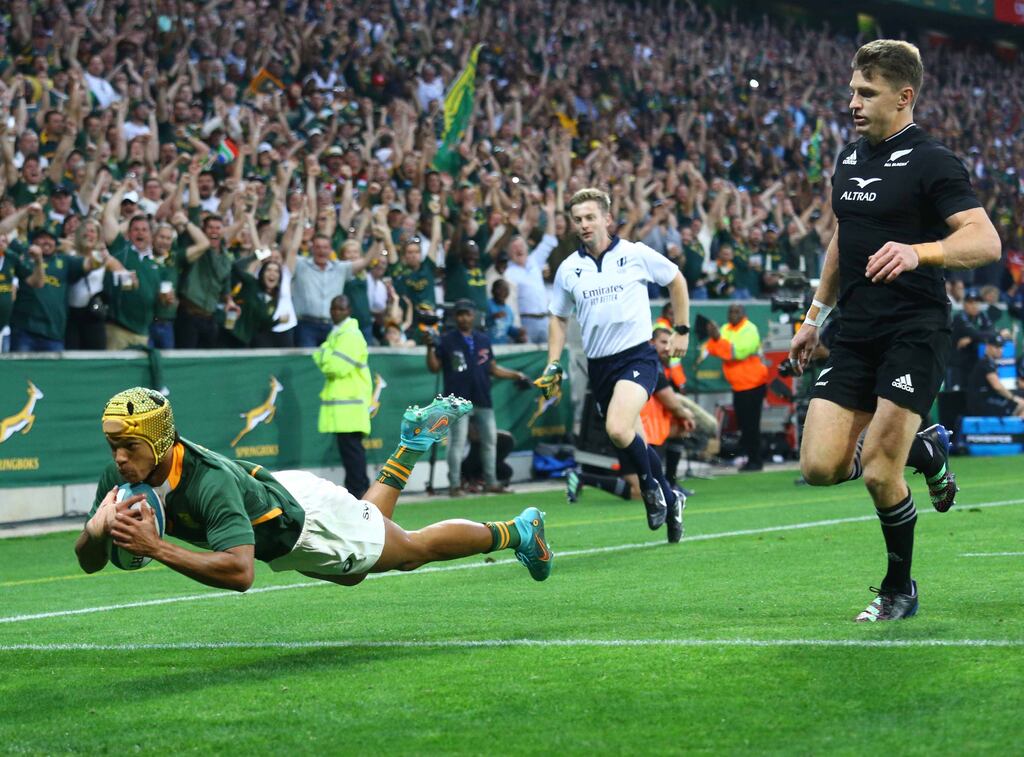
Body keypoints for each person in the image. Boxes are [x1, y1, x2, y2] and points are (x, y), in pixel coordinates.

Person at [788, 40, 1001, 622]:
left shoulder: (932, 161)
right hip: (854, 332)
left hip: (914, 328)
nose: (852, 102)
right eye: (852, 91)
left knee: (881, 469)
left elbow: (985, 240)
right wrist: (814, 318)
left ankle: (898, 589)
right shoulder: (849, 160)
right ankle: (927, 448)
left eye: (866, 93)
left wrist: (920, 252)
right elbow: (842, 238)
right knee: (819, 468)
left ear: (904, 97)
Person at [74, 388, 553, 590]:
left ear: (158, 440)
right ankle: (410, 446)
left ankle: (517, 531)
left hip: (305, 522)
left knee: (408, 551)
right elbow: (91, 562)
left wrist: (156, 548)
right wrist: (93, 531)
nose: (118, 457)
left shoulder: (207, 481)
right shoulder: (123, 476)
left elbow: (241, 574)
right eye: (112, 445)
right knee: (357, 564)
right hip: (282, 504)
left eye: (128, 446)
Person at [540, 187, 690, 543]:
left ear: (607, 218)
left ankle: (652, 487)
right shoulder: (569, 269)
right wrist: (552, 363)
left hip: (637, 357)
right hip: (600, 366)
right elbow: (558, 318)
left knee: (618, 431)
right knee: (630, 437)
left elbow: (676, 280)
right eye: (577, 219)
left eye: (590, 217)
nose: (584, 224)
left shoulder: (634, 253)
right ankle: (672, 498)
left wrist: (682, 330)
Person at [426, 299, 531, 496]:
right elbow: (434, 368)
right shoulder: (447, 339)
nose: (464, 318)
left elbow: (492, 368)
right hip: (457, 399)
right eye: (460, 314)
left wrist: (516, 375)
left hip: (482, 395)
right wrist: (430, 348)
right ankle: (455, 485)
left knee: (489, 440)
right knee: (457, 441)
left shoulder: (483, 339)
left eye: (467, 314)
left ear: (473, 316)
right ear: (455, 317)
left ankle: (491, 482)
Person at [313, 295, 373, 498]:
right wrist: (326, 352)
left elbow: (334, 367)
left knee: (353, 454)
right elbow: (324, 359)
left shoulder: (350, 336)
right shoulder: (337, 335)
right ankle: (359, 493)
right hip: (345, 408)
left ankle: (360, 494)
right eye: (333, 308)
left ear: (349, 311)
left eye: (340, 309)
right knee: (350, 454)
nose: (335, 312)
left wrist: (325, 351)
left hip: (351, 406)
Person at [703, 304, 769, 472]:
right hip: (738, 385)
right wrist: (718, 341)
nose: (733, 314)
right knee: (743, 424)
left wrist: (719, 340)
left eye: (737, 311)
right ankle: (747, 458)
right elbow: (711, 348)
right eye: (730, 312)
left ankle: (756, 460)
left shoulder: (749, 329)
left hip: (753, 383)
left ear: (744, 313)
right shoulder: (726, 329)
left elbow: (736, 353)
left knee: (751, 425)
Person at [965, 335, 1024, 418]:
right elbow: (997, 387)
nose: (1000, 350)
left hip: (987, 400)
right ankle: (1013, 430)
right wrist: (1014, 398)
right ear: (988, 347)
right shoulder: (986, 363)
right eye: (996, 347)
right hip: (982, 404)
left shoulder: (990, 362)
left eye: (1001, 347)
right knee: (1020, 403)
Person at [947, 290, 994, 390]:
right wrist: (975, 337)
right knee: (955, 398)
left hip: (973, 365)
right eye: (971, 302)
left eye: (977, 302)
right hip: (958, 366)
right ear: (964, 305)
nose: (975, 305)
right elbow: (975, 333)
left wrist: (971, 339)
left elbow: (992, 333)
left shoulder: (982, 315)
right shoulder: (959, 317)